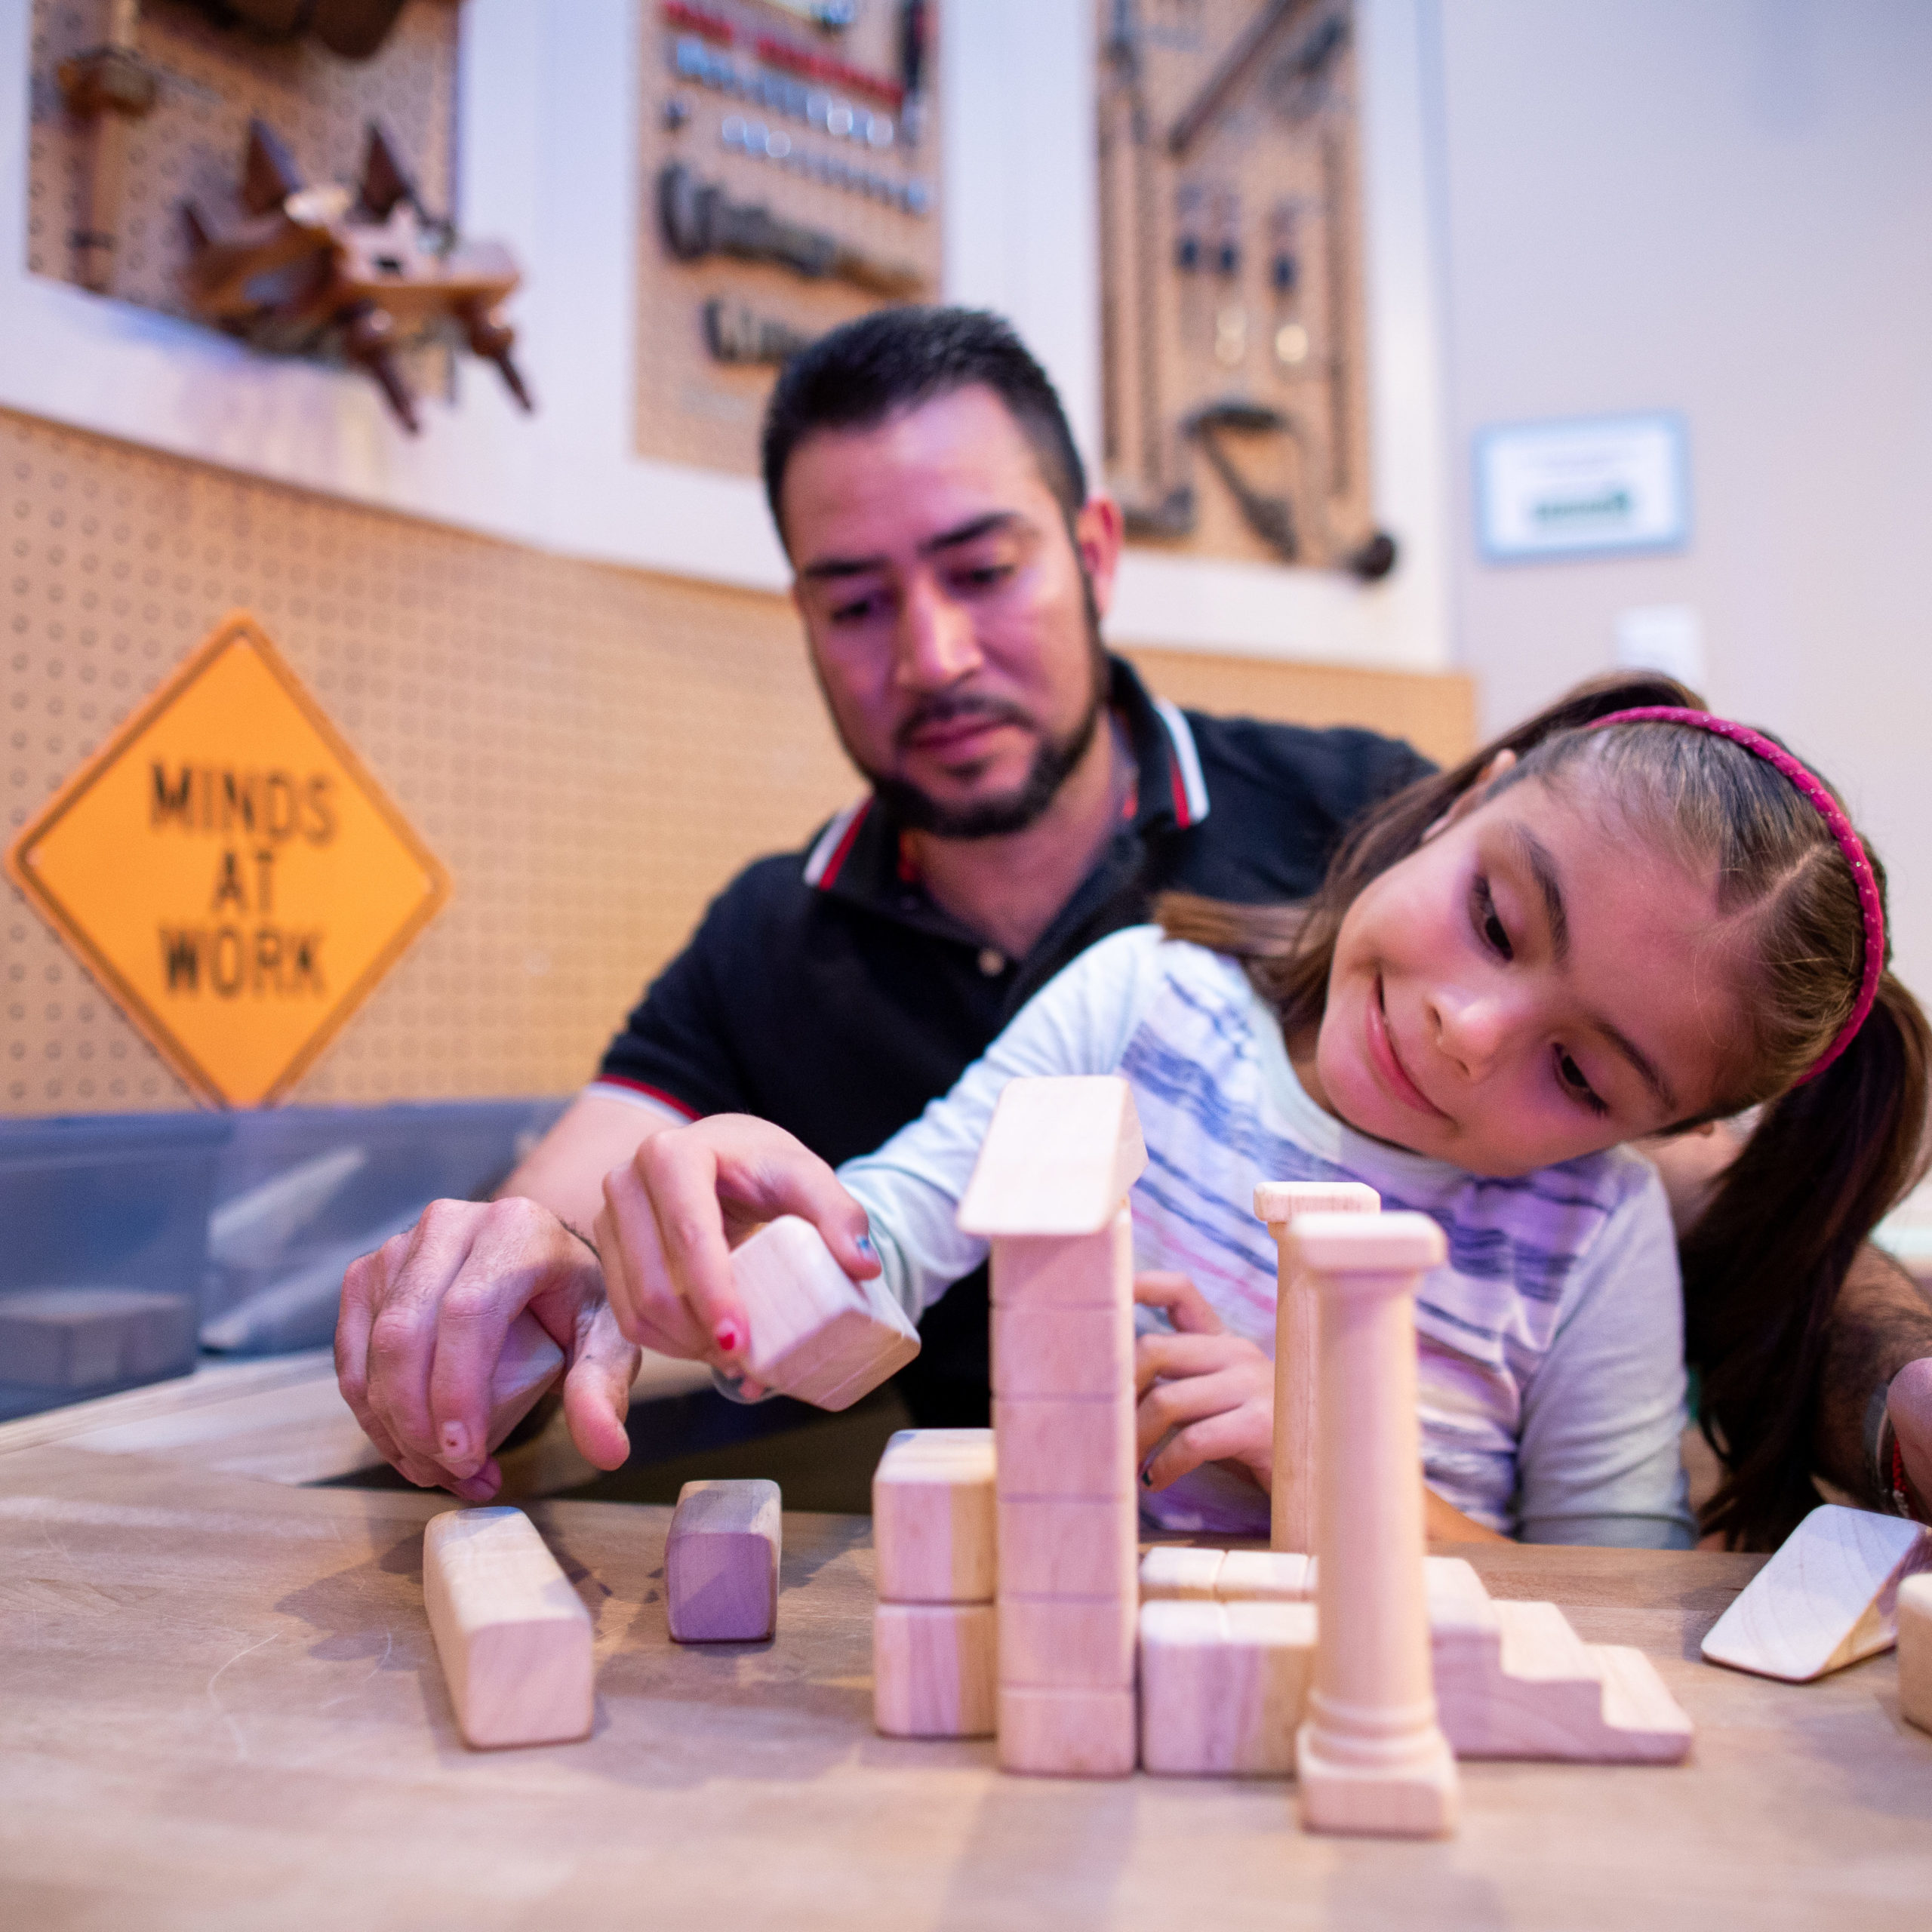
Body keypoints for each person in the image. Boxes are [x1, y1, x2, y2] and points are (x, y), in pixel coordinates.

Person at [336, 305, 1932, 1546]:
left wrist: (1896, 1378)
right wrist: (551, 1269)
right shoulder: (852, 950)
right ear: (805, 619)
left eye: (981, 564)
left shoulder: (1359, 824)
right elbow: (687, 1219)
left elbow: (1721, 1216)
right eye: (857, 598)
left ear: (1093, 549)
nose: (936, 651)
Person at [595, 686, 1930, 1549]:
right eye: (1495, 919)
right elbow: (876, 1237)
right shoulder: (1139, 1013)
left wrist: (1333, 1467)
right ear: (1469, 802)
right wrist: (744, 1242)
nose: (1471, 1034)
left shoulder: (1595, 1236)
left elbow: (1615, 1597)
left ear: (1667, 1124)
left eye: (1581, 1076)